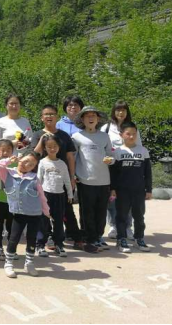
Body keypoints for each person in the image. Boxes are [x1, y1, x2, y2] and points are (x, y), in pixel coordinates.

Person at [0, 152, 50, 278]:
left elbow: (42, 196)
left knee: (31, 238)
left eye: (31, 165)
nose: (27, 165)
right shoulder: (8, 173)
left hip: (35, 213)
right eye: (26, 161)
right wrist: (9, 160)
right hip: (18, 213)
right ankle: (9, 263)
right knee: (14, 238)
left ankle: (29, 263)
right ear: (20, 158)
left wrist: (46, 212)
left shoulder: (34, 178)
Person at [30, 105, 83, 250]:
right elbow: (34, 155)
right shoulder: (37, 135)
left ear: (57, 117)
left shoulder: (64, 135)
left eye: (52, 114)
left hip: (62, 179)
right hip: (45, 181)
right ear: (42, 118)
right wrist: (42, 140)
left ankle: (76, 237)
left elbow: (70, 157)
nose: (49, 116)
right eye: (46, 114)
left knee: (67, 209)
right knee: (45, 210)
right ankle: (47, 238)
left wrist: (72, 177)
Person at [72, 106, 113, 254]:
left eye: (93, 116)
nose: (90, 118)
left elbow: (111, 154)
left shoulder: (104, 137)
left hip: (104, 180)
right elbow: (73, 158)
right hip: (85, 180)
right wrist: (73, 175)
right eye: (87, 116)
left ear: (98, 119)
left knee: (101, 212)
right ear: (82, 119)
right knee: (87, 212)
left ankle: (98, 236)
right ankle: (89, 238)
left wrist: (111, 160)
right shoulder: (77, 137)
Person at [102, 100, 141, 240]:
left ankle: (127, 227)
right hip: (110, 167)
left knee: (128, 198)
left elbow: (139, 147)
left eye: (123, 110)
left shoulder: (132, 127)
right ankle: (113, 225)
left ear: (127, 112)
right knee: (112, 198)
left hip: (128, 167)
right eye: (118, 110)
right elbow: (101, 146)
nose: (121, 113)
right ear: (114, 112)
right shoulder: (106, 127)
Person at [111, 122, 152, 254]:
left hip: (139, 190)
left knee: (139, 216)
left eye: (134, 134)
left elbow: (148, 172)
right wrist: (113, 189)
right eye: (128, 134)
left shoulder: (143, 151)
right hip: (122, 191)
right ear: (121, 135)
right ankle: (121, 239)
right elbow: (113, 173)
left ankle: (139, 238)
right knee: (121, 216)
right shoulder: (117, 152)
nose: (131, 136)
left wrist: (149, 190)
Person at [36, 134, 73, 258]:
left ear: (59, 147)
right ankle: (40, 245)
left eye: (55, 146)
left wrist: (70, 194)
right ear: (45, 148)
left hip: (60, 195)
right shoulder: (42, 162)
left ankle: (59, 244)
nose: (52, 149)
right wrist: (38, 195)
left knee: (58, 221)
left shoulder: (62, 163)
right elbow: (39, 180)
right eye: (49, 146)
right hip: (46, 195)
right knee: (43, 221)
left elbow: (67, 180)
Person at [0, 140, 17, 261]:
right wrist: (1, 162)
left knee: (12, 225)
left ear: (12, 151)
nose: (6, 152)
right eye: (3, 150)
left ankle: (11, 249)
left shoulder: (16, 164)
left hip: (12, 199)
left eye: (9, 150)